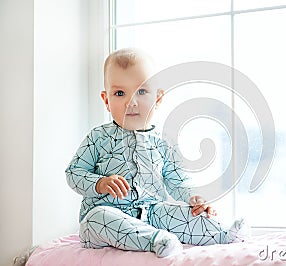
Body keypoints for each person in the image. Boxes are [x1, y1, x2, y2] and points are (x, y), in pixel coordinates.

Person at [66, 48, 248, 258]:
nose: (131, 102)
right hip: (105, 218)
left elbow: (176, 179)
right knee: (97, 218)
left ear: (158, 98)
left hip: (151, 213)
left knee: (179, 214)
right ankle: (156, 240)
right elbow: (74, 173)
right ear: (106, 100)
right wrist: (100, 183)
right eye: (119, 93)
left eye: (141, 92)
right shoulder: (98, 137)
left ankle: (224, 233)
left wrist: (194, 198)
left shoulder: (163, 142)